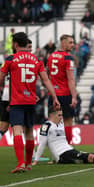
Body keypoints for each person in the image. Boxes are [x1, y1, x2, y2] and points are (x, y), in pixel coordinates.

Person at [0, 32, 60, 173]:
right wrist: (55, 97)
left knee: (17, 131)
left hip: (16, 101)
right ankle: (27, 164)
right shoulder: (36, 60)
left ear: (15, 44)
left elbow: (1, 78)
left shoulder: (10, 59)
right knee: (29, 133)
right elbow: (46, 80)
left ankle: (21, 163)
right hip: (31, 101)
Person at [0, 39, 33, 141]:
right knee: (25, 127)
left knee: (4, 126)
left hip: (10, 96)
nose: (30, 50)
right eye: (29, 47)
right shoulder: (22, 61)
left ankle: (31, 153)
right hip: (15, 97)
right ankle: (31, 154)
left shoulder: (10, 60)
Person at [47, 34, 77, 144]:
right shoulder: (68, 58)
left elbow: (48, 76)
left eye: (73, 42)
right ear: (63, 43)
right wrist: (74, 96)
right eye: (70, 42)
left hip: (53, 95)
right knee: (68, 122)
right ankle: (67, 148)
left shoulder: (51, 56)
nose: (72, 45)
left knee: (53, 123)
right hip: (65, 94)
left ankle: (55, 150)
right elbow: (71, 79)